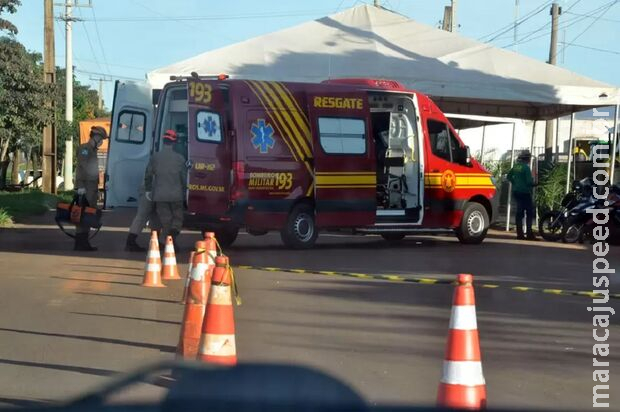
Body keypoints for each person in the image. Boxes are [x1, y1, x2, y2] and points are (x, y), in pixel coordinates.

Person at [143, 129, 187, 250]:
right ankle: (171, 240)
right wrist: (185, 191)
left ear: (163, 141)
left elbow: (148, 175)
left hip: (160, 195)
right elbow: (184, 178)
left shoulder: (155, 157)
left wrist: (148, 190)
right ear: (174, 143)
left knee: (166, 220)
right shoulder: (180, 159)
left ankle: (167, 241)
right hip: (176, 195)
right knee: (177, 220)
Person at [74, 126, 107, 251]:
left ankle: (84, 242)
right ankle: (80, 243)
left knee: (88, 215)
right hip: (85, 187)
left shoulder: (93, 150)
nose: (102, 141)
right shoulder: (85, 149)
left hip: (91, 188)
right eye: (101, 138)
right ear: (96, 137)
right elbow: (82, 168)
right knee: (83, 215)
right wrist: (81, 186)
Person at [507, 151, 537, 241]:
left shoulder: (516, 166)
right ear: (527, 159)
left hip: (516, 191)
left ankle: (519, 234)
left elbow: (509, 176)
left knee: (519, 213)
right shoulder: (526, 168)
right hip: (525, 192)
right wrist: (535, 184)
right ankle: (529, 234)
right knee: (529, 213)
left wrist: (515, 183)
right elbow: (529, 182)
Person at [125, 181, 161, 252]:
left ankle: (154, 241)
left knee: (156, 217)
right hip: (152, 190)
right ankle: (130, 242)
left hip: (153, 189)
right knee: (142, 216)